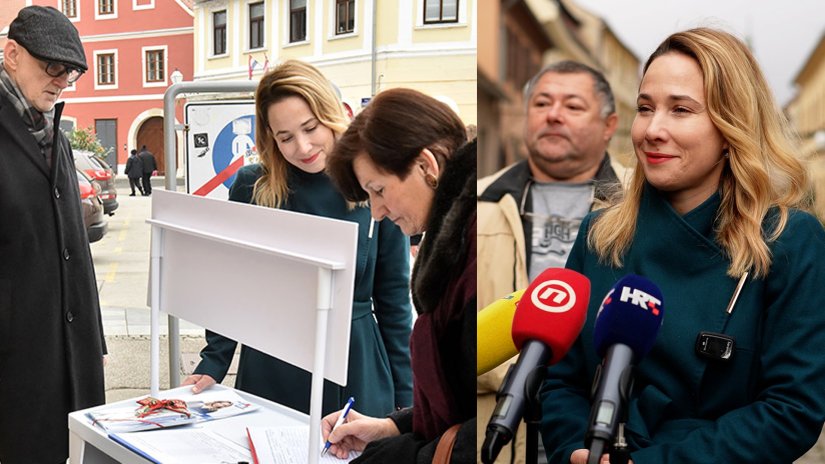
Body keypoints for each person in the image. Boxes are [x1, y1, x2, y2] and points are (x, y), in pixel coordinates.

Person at [540, 28, 825, 464]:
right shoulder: (600, 234)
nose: (653, 130)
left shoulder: (788, 240)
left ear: (732, 127)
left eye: (681, 110)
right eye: (645, 108)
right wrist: (575, 450)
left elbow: (792, 410)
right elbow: (562, 381)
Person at [182, 60, 414, 418]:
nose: (302, 147)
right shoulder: (252, 186)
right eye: (285, 137)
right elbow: (235, 284)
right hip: (273, 364)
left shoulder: (374, 181)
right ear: (270, 138)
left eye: (311, 127)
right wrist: (213, 361)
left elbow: (395, 299)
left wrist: (408, 396)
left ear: (331, 114)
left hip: (355, 364)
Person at [476, 60, 629, 464]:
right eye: (542, 103)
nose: (554, 114)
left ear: (609, 125)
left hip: (600, 429)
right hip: (497, 429)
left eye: (573, 106)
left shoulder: (643, 205)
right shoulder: (478, 201)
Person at [321, 88, 476, 463]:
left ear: (426, 165)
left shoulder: (479, 251)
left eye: (378, 190)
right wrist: (394, 427)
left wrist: (399, 455)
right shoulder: (453, 243)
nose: (375, 211)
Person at [0, 6, 107, 462]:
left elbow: (76, 252)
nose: (62, 80)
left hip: (70, 354)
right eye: (52, 67)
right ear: (11, 54)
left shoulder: (57, 138)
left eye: (71, 72)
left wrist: (94, 339)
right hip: (16, 359)